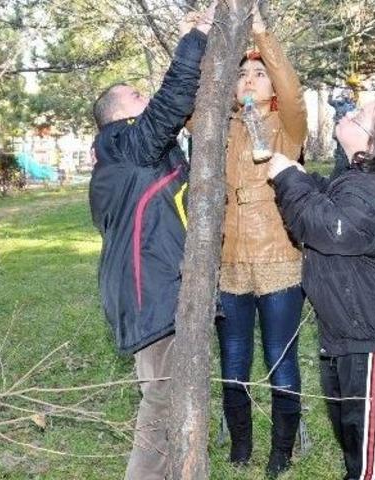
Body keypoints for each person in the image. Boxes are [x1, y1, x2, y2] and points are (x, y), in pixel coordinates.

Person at [266, 98, 375, 480]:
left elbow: (326, 227)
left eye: (357, 117)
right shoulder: (361, 182)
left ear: (370, 145)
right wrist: (303, 177)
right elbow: (330, 200)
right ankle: (365, 468)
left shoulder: (374, 191)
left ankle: (371, 471)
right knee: (351, 418)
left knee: (366, 424)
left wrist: (289, 179)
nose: (346, 114)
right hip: (351, 323)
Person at [87, 4, 215, 479]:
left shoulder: (127, 157)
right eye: (136, 94)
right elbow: (169, 105)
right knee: (161, 407)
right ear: (118, 115)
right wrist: (197, 37)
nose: (147, 96)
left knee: (177, 403)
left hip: (155, 288)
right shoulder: (123, 145)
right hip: (153, 295)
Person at [217, 6, 307, 478]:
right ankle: (240, 446)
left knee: (280, 360)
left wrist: (261, 38)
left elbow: (293, 94)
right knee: (233, 363)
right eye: (242, 73)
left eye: (259, 73)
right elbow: (188, 108)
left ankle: (281, 451)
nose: (250, 80)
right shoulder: (219, 127)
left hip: (278, 261)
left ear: (272, 84)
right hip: (229, 263)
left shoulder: (287, 128)